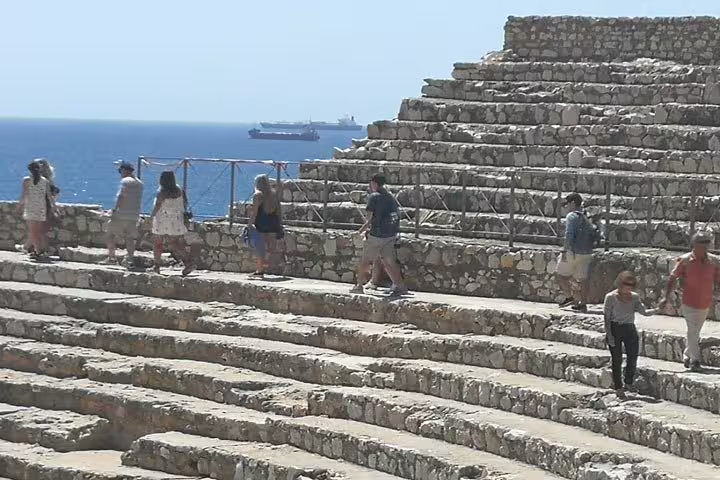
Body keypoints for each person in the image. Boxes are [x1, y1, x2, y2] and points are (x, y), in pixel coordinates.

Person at [658, 231, 720, 371]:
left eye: (707, 243)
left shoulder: (713, 261)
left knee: (695, 331)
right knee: (693, 331)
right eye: (702, 243)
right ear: (694, 245)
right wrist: (665, 297)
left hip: (705, 302)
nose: (705, 246)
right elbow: (672, 278)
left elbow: (718, 279)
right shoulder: (685, 260)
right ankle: (695, 361)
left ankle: (687, 355)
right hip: (689, 303)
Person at [351, 173, 407, 296]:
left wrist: (359, 232)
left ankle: (359, 285)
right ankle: (400, 285)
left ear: (374, 183)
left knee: (365, 261)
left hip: (376, 235)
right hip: (390, 234)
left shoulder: (374, 197)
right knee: (389, 262)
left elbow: (369, 219)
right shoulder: (390, 197)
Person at [604, 271, 654, 399]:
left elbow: (643, 311)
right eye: (626, 284)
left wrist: (657, 310)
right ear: (620, 284)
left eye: (631, 285)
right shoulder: (611, 297)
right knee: (617, 359)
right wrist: (609, 335)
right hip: (616, 328)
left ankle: (629, 382)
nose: (628, 287)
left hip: (629, 328)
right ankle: (618, 387)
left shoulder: (634, 297)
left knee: (633, 356)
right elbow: (607, 318)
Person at [556, 192, 599, 313]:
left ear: (573, 203)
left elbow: (569, 234)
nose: (566, 207)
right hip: (587, 252)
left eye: (567, 204)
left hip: (573, 251)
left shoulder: (571, 216)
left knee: (560, 275)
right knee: (583, 279)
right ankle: (583, 304)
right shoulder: (587, 216)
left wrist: (564, 251)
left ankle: (570, 297)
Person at [149, 171, 195, 276]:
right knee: (174, 244)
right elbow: (185, 203)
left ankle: (156, 266)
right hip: (176, 220)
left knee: (157, 243)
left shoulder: (162, 192)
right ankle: (188, 262)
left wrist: (151, 218)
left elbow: (157, 206)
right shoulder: (179, 190)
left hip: (162, 219)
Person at [103, 161, 143, 266]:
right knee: (129, 238)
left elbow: (121, 196)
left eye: (120, 171)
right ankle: (130, 259)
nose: (120, 173)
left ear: (124, 170)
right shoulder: (140, 183)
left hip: (121, 214)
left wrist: (114, 210)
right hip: (134, 215)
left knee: (110, 235)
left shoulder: (124, 181)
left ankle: (112, 258)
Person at [17, 160, 58, 259]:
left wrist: (19, 206)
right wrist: (55, 208)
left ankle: (38, 251)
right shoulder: (45, 181)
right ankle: (40, 250)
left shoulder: (27, 180)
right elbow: (50, 196)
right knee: (39, 231)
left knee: (33, 231)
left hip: (31, 208)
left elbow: (24, 195)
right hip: (41, 208)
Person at [247, 174, 283, 278]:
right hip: (272, 222)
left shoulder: (257, 195)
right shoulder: (274, 194)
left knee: (260, 248)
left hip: (261, 223)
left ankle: (260, 269)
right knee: (271, 247)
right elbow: (279, 211)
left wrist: (249, 225)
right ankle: (267, 262)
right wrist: (279, 223)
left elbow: (254, 213)